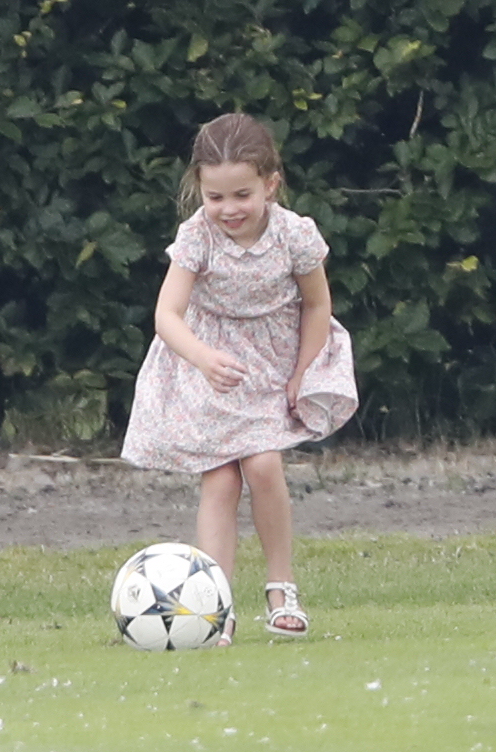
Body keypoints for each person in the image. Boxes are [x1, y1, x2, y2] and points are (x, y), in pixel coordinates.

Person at [121, 113, 358, 646]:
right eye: (215, 197)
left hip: (272, 365)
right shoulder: (197, 237)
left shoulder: (295, 234)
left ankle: (282, 588)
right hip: (213, 369)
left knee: (265, 464)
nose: (229, 209)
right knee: (221, 479)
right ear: (200, 191)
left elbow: (318, 303)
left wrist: (304, 370)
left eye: (242, 195)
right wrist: (203, 359)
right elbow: (167, 315)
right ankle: (215, 605)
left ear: (270, 184)